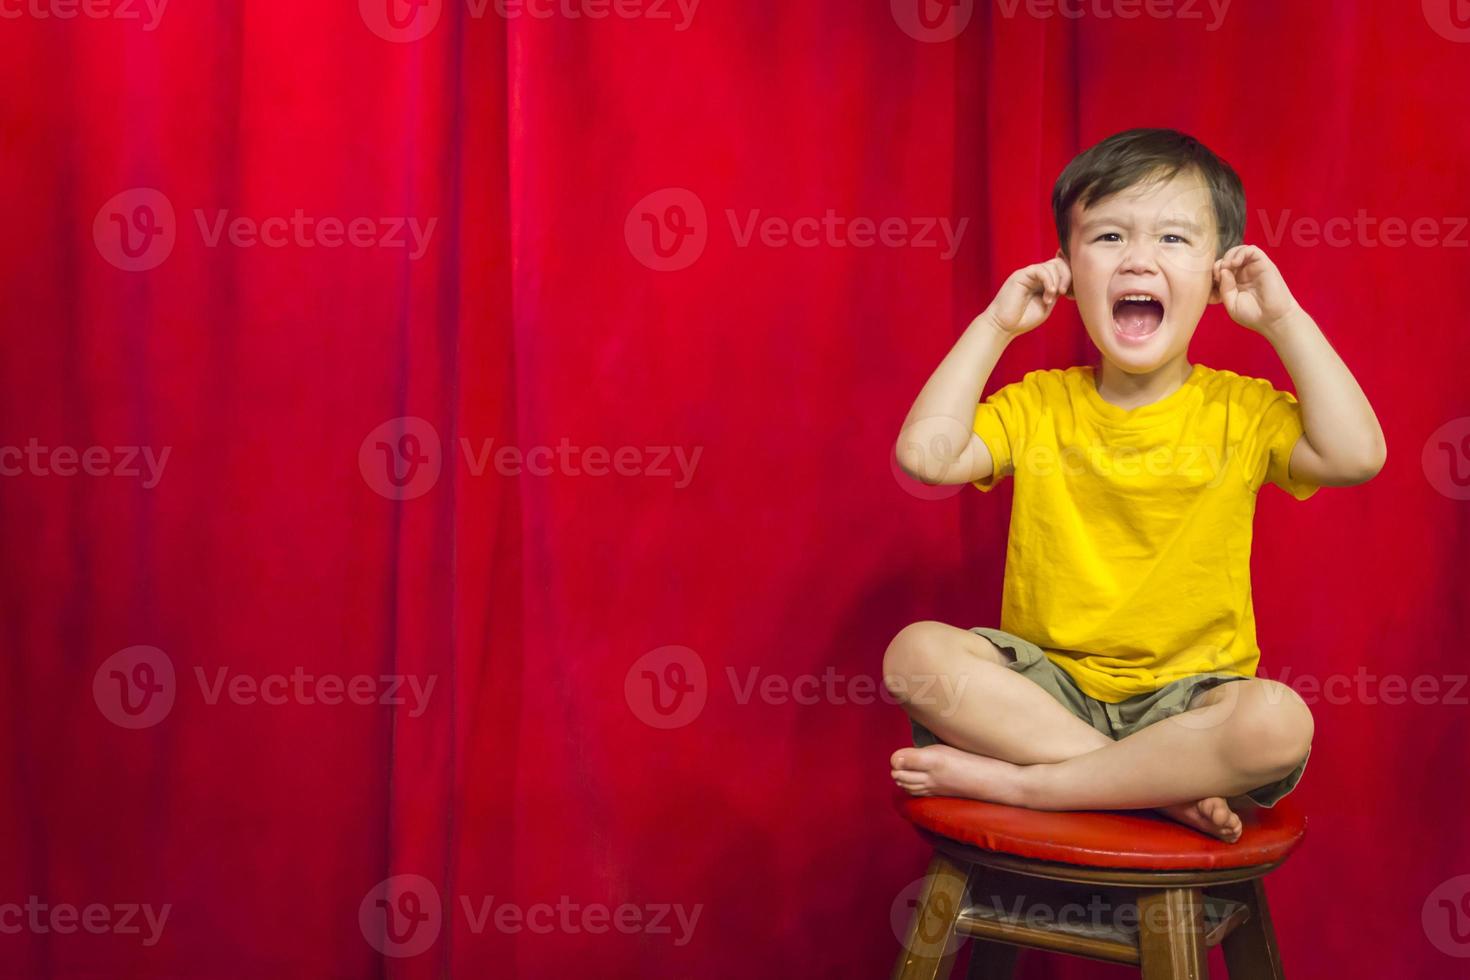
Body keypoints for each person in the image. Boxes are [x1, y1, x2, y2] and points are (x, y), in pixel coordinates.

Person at [885, 128, 1386, 842]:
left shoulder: (1240, 409)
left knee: (1279, 722)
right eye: (1110, 237)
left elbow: (1357, 455)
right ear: (1066, 269)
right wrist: (997, 325)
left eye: (1175, 240)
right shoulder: (1040, 402)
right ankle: (1142, 787)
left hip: (1189, 708)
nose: (1140, 259)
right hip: (1045, 695)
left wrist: (1283, 321)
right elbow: (927, 457)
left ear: (1218, 276)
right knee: (915, 655)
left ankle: (1036, 787)